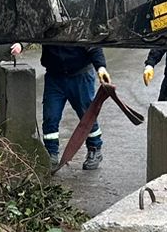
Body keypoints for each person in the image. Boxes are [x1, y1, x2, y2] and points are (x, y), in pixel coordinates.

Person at [39, 41, 112, 170]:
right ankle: (51, 154)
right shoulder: (46, 22)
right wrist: (16, 44)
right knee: (50, 116)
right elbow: (30, 32)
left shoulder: (79, 23)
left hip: (80, 75)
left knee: (87, 115)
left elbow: (93, 44)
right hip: (54, 77)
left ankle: (94, 149)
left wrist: (101, 67)